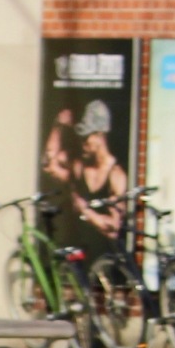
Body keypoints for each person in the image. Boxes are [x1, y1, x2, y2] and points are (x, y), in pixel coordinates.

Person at [45, 99, 128, 246]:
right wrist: (58, 126)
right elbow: (49, 164)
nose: (82, 143)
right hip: (75, 250)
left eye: (86, 137)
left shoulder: (116, 175)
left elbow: (114, 226)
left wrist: (85, 211)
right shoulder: (78, 166)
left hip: (103, 257)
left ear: (99, 135)